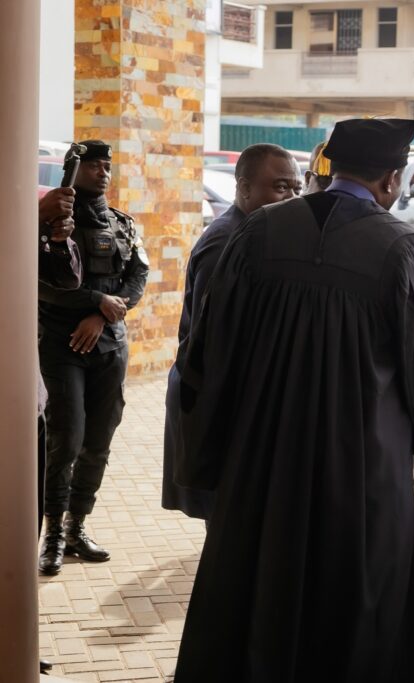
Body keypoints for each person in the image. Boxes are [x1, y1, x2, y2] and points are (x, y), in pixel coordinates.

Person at [171, 118, 414, 682]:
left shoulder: (255, 236)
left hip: (260, 469)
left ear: (329, 166)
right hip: (361, 477)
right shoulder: (404, 250)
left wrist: (212, 456)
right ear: (391, 179)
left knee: (253, 592)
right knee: (357, 612)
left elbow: (205, 355)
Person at [162, 143, 301, 522]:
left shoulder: (257, 235)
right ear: (243, 189)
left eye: (297, 189)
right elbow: (216, 345)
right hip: (212, 406)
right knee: (226, 529)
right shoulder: (227, 243)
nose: (292, 197)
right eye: (281, 187)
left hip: (228, 404)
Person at [37, 140, 149, 575]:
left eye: (107, 166)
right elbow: (42, 284)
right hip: (63, 345)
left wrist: (104, 314)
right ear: (74, 170)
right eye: (93, 166)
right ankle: (52, 536)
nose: (103, 173)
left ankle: (77, 527)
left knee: (99, 441)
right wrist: (96, 300)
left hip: (108, 344)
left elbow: (138, 275)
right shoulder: (50, 225)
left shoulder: (122, 223)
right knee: (66, 438)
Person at [37, 185, 82, 675]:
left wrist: (54, 237)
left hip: (27, 400)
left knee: (20, 525)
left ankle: (15, 631)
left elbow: (65, 279)